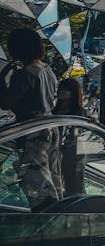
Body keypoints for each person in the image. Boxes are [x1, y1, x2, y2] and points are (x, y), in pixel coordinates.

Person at [0, 28, 62, 209]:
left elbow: (6, 101)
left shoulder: (26, 73)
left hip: (32, 133)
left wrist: (2, 78)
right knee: (53, 177)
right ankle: (62, 215)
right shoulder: (47, 69)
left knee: (36, 183)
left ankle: (48, 220)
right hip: (50, 128)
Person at [53, 78, 86, 197]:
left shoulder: (80, 113)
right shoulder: (55, 111)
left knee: (74, 186)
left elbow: (82, 133)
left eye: (65, 89)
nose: (60, 91)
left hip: (73, 155)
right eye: (60, 88)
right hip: (56, 152)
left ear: (73, 92)